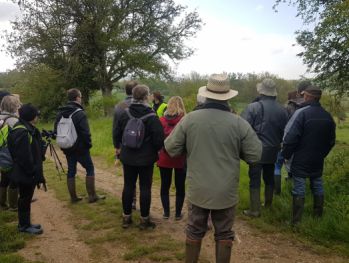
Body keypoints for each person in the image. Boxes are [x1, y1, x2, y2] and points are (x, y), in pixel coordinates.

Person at [165, 74, 262, 263]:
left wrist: (190, 146)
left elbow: (170, 148)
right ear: (228, 97)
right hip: (226, 191)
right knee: (224, 233)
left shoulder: (189, 119)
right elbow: (255, 156)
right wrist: (236, 151)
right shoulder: (239, 123)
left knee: (194, 231)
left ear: (206, 95)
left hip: (198, 189)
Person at [281, 85, 336, 225]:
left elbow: (290, 137)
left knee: (299, 187)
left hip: (301, 158)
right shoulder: (327, 116)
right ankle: (317, 217)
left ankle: (296, 221)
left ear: (307, 96)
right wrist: (321, 155)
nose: (303, 97)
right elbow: (331, 141)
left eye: (304, 95)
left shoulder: (301, 113)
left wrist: (286, 154)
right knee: (317, 184)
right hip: (318, 158)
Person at [115, 84, 164, 230]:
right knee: (145, 188)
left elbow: (117, 133)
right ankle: (144, 220)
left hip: (128, 156)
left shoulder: (125, 113)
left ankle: (126, 217)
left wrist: (119, 149)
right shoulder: (152, 116)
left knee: (128, 186)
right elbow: (158, 140)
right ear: (146, 97)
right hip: (146, 158)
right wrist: (156, 151)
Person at [241, 78, 288, 217]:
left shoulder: (253, 107)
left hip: (256, 150)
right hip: (273, 150)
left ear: (261, 91)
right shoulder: (282, 110)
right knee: (269, 177)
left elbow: (243, 128)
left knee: (254, 179)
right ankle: (268, 205)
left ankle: (254, 210)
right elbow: (285, 131)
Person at [54, 88, 104, 203]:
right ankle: (92, 196)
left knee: (71, 170)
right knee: (89, 169)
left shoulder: (60, 113)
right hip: (81, 148)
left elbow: (56, 130)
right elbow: (85, 133)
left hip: (67, 147)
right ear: (77, 98)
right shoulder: (79, 113)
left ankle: (73, 198)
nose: (81, 99)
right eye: (80, 97)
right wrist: (88, 145)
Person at [8, 104, 46, 234]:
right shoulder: (22, 131)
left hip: (25, 171)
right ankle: (23, 226)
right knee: (25, 198)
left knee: (26, 197)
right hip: (25, 172)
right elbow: (24, 157)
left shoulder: (24, 128)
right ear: (31, 117)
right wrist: (32, 171)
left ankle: (26, 223)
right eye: (36, 115)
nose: (38, 117)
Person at [274, 80, 311, 194]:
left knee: (278, 164)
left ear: (299, 91)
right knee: (298, 164)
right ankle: (295, 186)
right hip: (304, 142)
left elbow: (283, 123)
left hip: (288, 139)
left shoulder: (289, 106)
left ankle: (277, 191)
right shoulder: (311, 106)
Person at [157, 96, 186, 220]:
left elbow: (158, 139)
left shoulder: (161, 120)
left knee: (165, 185)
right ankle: (178, 213)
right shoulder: (185, 120)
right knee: (180, 186)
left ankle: (166, 212)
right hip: (181, 157)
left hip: (164, 156)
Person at [112, 80, 138, 210]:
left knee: (129, 179)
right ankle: (137, 203)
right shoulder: (144, 106)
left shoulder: (119, 106)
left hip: (125, 146)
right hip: (141, 146)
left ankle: (131, 202)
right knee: (144, 179)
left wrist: (116, 146)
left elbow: (115, 129)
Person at [0, 95, 21, 211]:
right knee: (14, 179)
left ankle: (2, 203)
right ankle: (14, 205)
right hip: (11, 155)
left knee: (4, 179)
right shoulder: (14, 121)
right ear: (14, 106)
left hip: (1, 155)